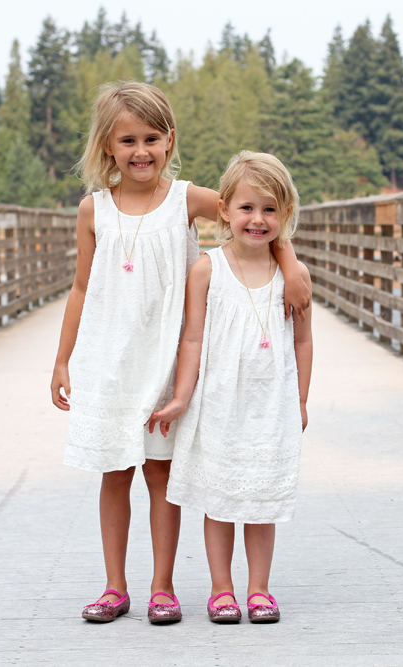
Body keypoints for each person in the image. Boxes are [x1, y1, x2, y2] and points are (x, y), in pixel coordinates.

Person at [51, 83, 311, 624]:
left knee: (158, 474)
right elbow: (79, 288)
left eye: (151, 138)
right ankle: (114, 586)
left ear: (170, 141)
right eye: (127, 140)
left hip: (169, 362)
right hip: (110, 361)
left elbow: (257, 215)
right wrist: (62, 359)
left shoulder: (187, 199)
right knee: (114, 473)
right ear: (107, 146)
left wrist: (289, 267)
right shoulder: (91, 210)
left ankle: (162, 587)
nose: (140, 150)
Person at [148, 151, 314, 624]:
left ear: (284, 216)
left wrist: (300, 399)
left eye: (269, 209)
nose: (257, 220)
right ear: (225, 211)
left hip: (270, 405)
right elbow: (193, 338)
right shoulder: (207, 269)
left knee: (261, 500)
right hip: (218, 403)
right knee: (218, 498)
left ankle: (259, 588)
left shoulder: (293, 278)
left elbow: (302, 340)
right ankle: (221, 589)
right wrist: (181, 396)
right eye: (246, 207)